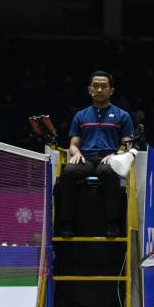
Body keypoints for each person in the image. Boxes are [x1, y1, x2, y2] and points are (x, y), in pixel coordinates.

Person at [57, 70, 135, 239]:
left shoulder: (123, 116)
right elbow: (73, 144)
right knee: (68, 172)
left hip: (109, 158)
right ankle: (67, 224)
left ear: (111, 91)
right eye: (96, 86)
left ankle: (113, 224)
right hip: (86, 159)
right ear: (89, 89)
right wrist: (76, 153)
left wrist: (117, 154)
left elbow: (127, 143)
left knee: (108, 172)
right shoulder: (81, 115)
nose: (99, 90)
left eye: (104, 86)